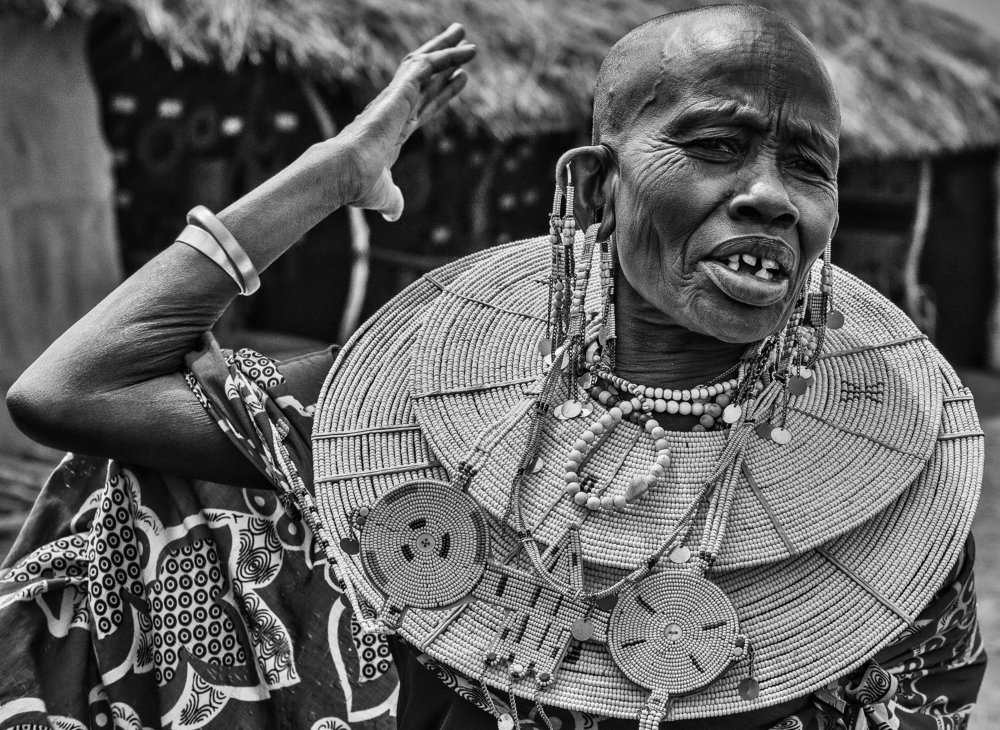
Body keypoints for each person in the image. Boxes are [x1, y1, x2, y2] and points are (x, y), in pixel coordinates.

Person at [3, 6, 986, 730]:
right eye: (717, 145)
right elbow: (72, 393)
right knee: (131, 490)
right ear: (599, 183)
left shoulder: (896, 468)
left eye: (806, 165)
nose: (768, 194)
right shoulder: (411, 409)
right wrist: (334, 171)